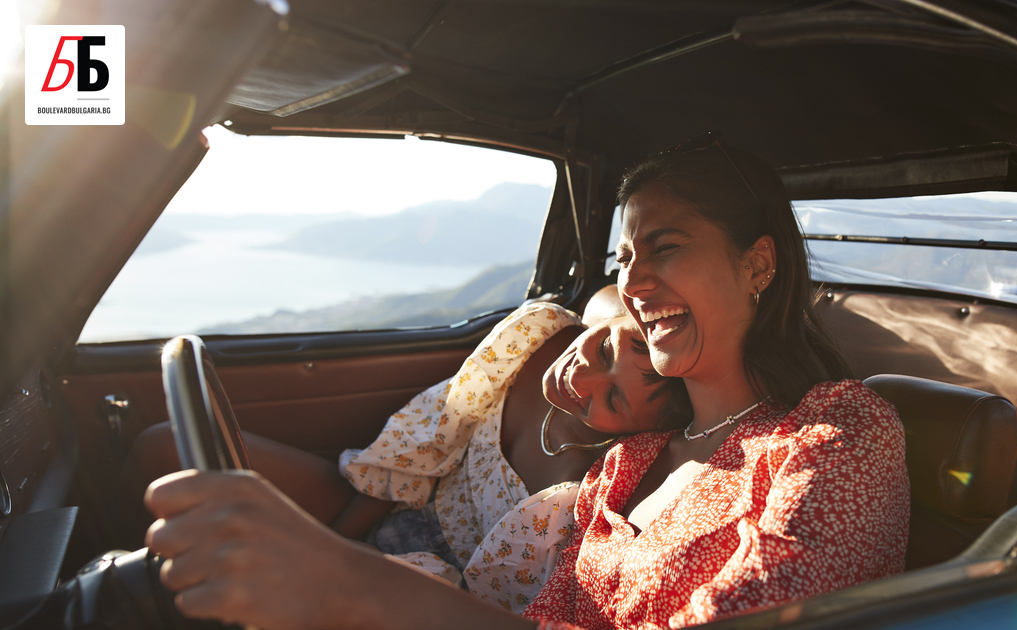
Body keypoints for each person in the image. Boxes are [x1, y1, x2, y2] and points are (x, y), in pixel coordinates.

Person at [142, 133, 909, 630]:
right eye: (625, 257)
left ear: (758, 265)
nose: (635, 281)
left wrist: (349, 584)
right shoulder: (624, 465)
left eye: (665, 247)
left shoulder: (838, 435)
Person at [125, 292, 690, 613]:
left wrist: (341, 565)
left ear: (638, 430)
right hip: (387, 507)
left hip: (429, 593)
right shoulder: (539, 337)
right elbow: (422, 452)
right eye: (609, 346)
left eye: (614, 399)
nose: (582, 378)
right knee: (164, 447)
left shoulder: (596, 486)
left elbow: (487, 603)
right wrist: (340, 537)